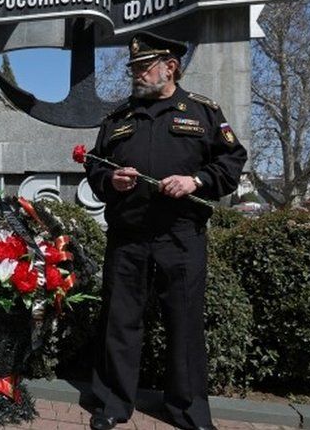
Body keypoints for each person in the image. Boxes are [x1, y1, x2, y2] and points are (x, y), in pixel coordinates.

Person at [83, 32, 247, 430]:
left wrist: (196, 182)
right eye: (134, 68)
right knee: (120, 322)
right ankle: (112, 405)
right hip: (128, 236)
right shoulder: (118, 118)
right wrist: (111, 180)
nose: (136, 75)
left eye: (144, 67)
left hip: (181, 235)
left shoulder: (203, 112)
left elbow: (232, 161)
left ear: (170, 66)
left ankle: (188, 411)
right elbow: (95, 166)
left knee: (184, 322)